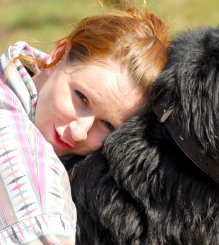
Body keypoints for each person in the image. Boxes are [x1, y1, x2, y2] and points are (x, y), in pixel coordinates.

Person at [0, 5, 169, 244]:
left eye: (108, 125)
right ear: (60, 54)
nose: (79, 132)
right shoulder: (38, 208)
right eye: (81, 98)